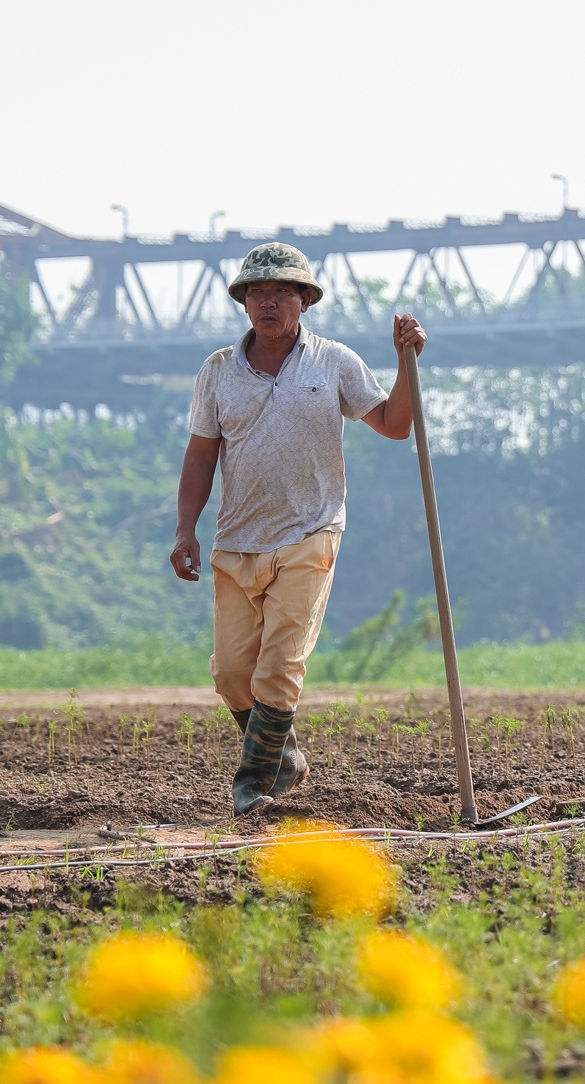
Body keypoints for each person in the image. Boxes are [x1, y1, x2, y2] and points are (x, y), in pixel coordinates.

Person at [170, 242, 426, 815]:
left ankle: (254, 784)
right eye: (257, 293)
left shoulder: (334, 361)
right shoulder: (217, 371)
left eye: (281, 292)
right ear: (243, 303)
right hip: (237, 539)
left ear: (304, 301)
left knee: (280, 664)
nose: (268, 302)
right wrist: (186, 529)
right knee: (235, 675)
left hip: (312, 531)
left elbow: (395, 424)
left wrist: (406, 364)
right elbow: (199, 455)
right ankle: (282, 755)